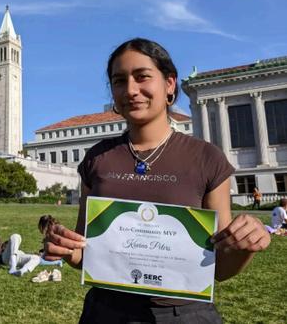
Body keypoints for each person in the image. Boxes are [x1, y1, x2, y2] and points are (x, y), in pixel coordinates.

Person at [44, 38, 270, 323]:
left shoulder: (207, 158)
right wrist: (66, 250)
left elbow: (220, 269)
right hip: (105, 310)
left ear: (170, 84)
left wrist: (245, 246)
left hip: (183, 314)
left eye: (142, 77)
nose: (130, 90)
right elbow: (86, 255)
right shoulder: (97, 158)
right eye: (119, 81)